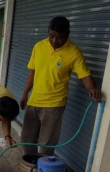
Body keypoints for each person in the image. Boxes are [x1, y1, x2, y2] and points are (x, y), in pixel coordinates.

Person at [20, 16, 102, 156]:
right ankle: (30, 169)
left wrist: (92, 89)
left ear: (67, 34)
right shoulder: (39, 46)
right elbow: (32, 72)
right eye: (51, 36)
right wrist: (25, 94)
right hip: (34, 101)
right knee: (26, 140)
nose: (54, 41)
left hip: (54, 105)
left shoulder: (74, 52)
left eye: (59, 37)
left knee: (46, 146)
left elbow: (85, 75)